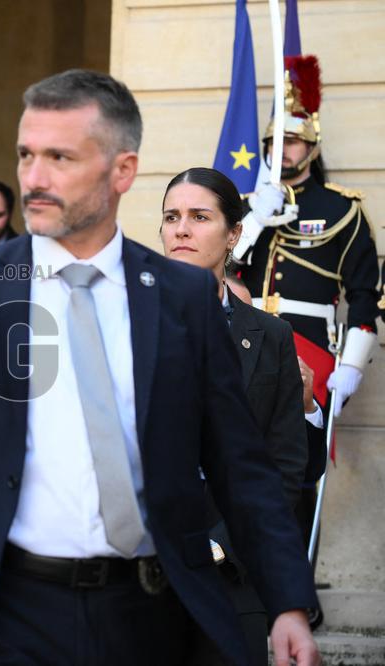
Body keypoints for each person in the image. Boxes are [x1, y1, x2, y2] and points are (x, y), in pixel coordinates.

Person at [0, 70, 319, 666]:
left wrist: (288, 601)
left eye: (60, 157)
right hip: (1, 616)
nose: (33, 177)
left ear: (122, 172)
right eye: (27, 155)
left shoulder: (181, 299)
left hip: (153, 616)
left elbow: (243, 469)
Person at [160, 166, 311, 665]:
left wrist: (220, 546)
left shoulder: (271, 338)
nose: (181, 228)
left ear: (233, 235)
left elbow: (284, 469)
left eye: (199, 217)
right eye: (171, 217)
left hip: (233, 578)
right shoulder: (120, 322)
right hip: (139, 579)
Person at [233, 55, 379, 421]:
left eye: (293, 141)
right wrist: (255, 219)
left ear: (312, 146)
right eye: (274, 142)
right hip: (242, 340)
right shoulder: (246, 207)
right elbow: (218, 266)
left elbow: (363, 295)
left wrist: (353, 365)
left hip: (308, 347)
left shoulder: (341, 208)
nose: (281, 150)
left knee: (294, 458)